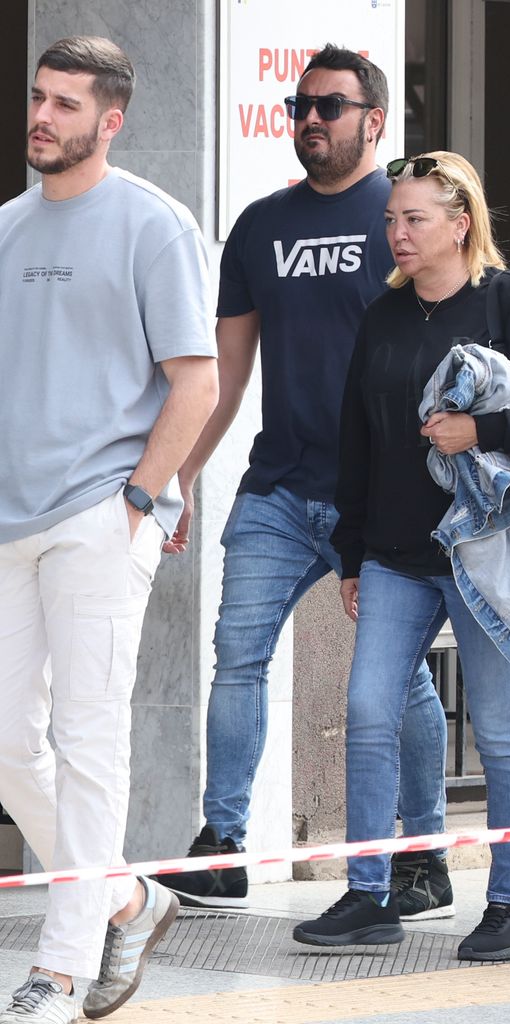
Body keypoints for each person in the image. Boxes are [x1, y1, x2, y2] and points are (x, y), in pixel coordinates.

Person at [155, 45, 453, 923]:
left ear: (374, 119)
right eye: (299, 106)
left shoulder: (401, 218)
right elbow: (222, 375)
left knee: (402, 679)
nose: (310, 120)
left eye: (330, 105)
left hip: (386, 492)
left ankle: (423, 854)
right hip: (280, 487)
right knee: (237, 658)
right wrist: (182, 478)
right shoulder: (258, 227)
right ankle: (221, 847)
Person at [292, 151, 510, 959]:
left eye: (414, 218)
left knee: (498, 730)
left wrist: (482, 430)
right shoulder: (382, 316)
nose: (397, 232)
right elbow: (356, 438)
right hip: (393, 555)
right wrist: (350, 553)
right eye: (391, 218)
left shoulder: (509, 300)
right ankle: (369, 893)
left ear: (461, 225)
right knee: (365, 712)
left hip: (483, 554)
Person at [0, 36, 218, 1023]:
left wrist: (140, 498)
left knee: (89, 741)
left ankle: (60, 966)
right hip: (9, 519)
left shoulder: (154, 226)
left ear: (111, 120)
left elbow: (198, 380)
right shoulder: (5, 228)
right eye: (38, 99)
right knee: (9, 742)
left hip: (101, 512)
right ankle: (129, 897)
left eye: (65, 104)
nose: (42, 116)